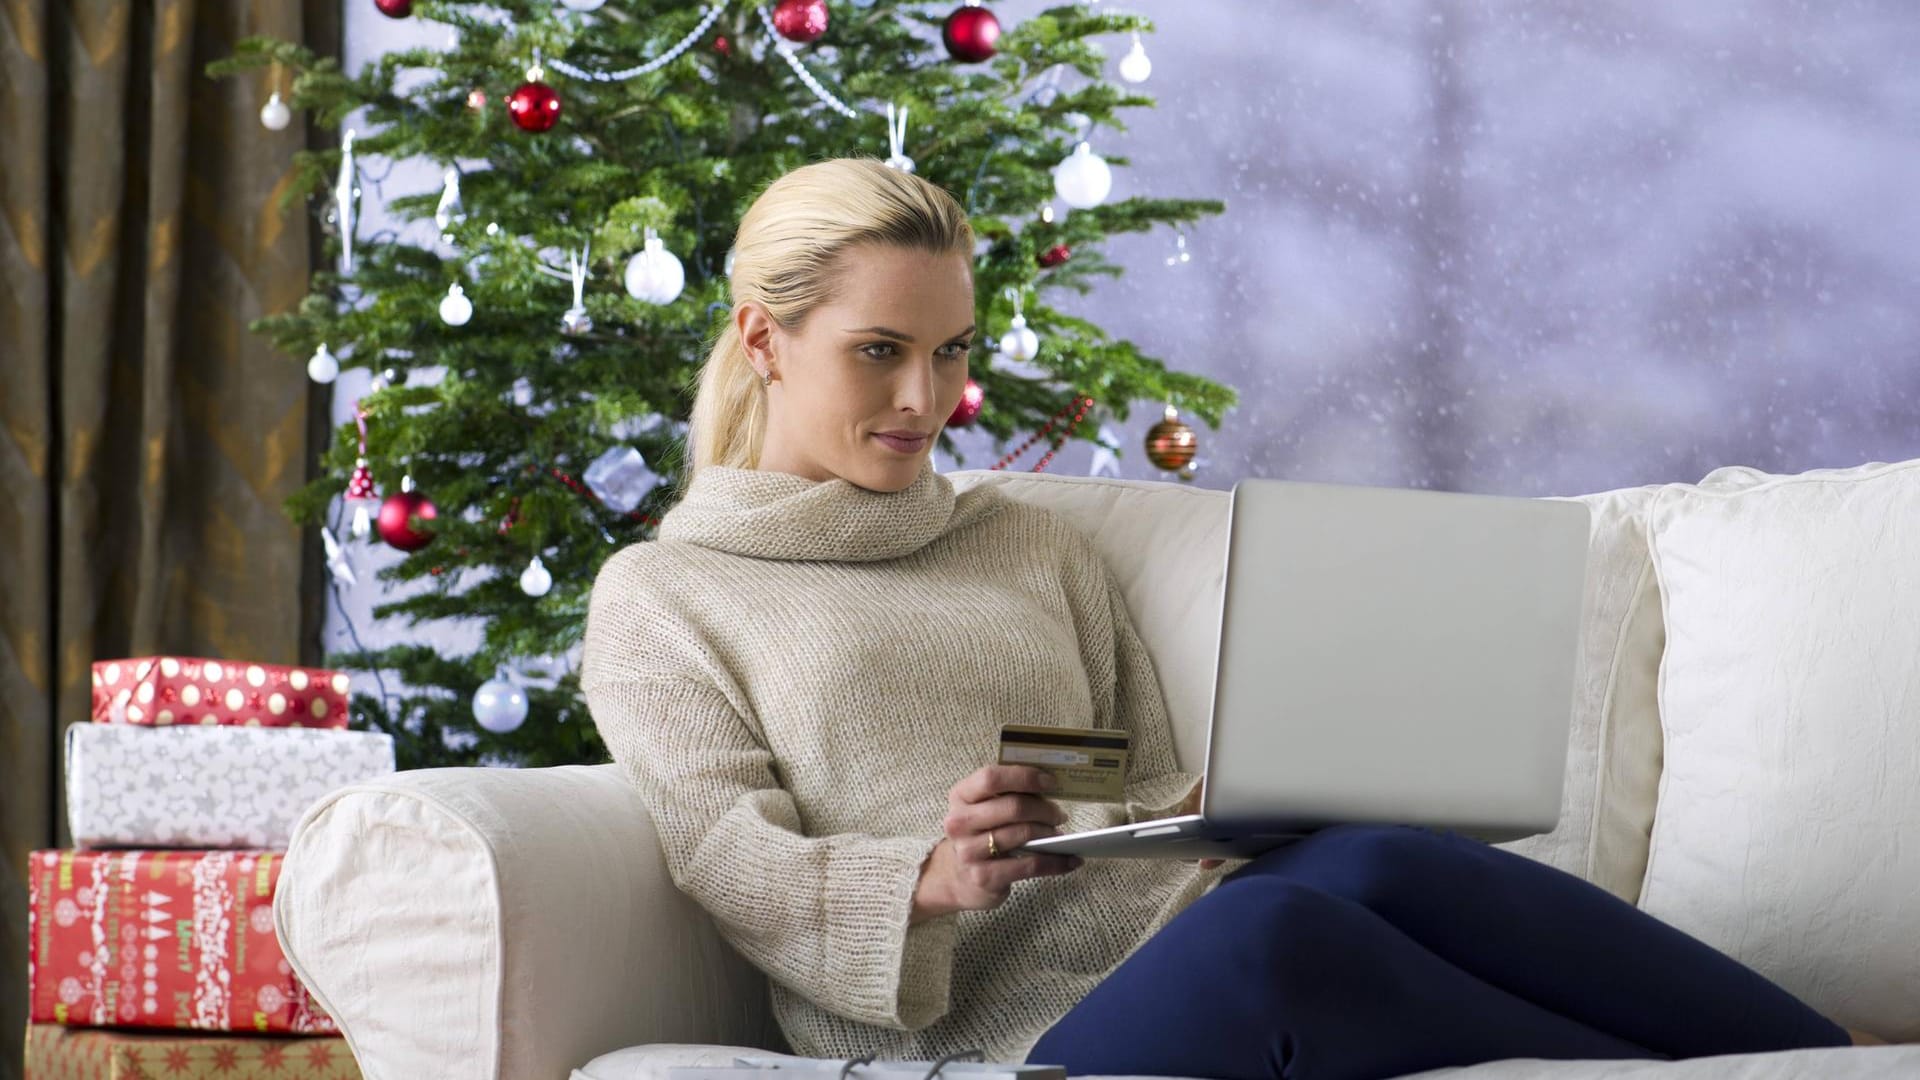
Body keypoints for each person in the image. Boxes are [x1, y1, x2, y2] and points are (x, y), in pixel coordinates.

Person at [579, 157, 1890, 1080]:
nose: (929, 396)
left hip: (1157, 928)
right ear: (763, 339)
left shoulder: (1023, 540)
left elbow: (1112, 765)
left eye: (955, 351)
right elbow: (723, 850)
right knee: (1284, 936)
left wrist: (1197, 795)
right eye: (882, 350)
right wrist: (921, 880)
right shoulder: (669, 596)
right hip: (969, 1035)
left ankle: (1826, 1061)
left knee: (1374, 858)